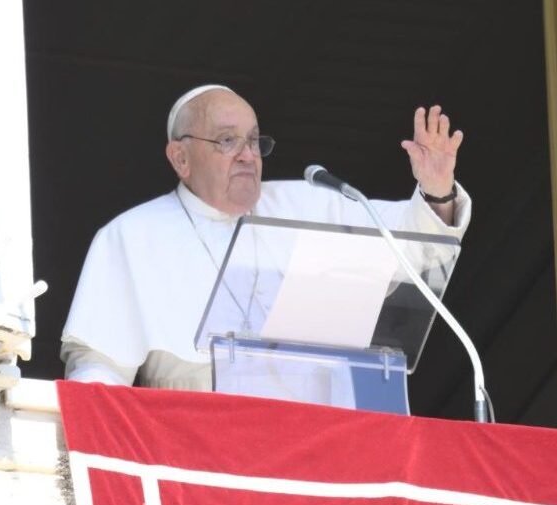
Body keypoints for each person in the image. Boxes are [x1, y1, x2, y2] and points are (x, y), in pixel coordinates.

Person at [60, 84, 471, 391]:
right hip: (195, 450)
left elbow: (415, 250)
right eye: (226, 141)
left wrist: (436, 190)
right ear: (180, 158)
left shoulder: (312, 204)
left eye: (254, 140)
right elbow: (98, 372)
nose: (247, 154)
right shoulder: (131, 237)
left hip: (320, 445)